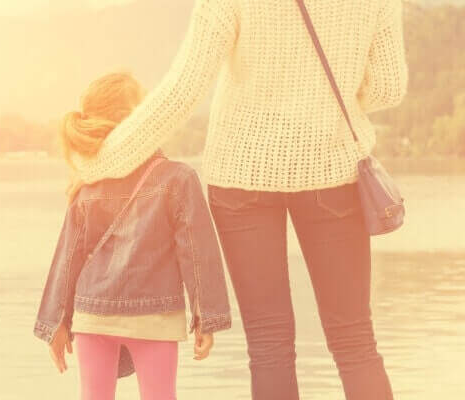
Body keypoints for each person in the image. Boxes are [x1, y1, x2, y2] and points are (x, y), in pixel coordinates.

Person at [69, 0, 408, 399]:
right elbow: (389, 86)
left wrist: (102, 160)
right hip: (332, 171)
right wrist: (322, 101)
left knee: (269, 345)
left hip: (243, 175)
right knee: (354, 341)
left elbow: (183, 89)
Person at [33, 72, 232, 400]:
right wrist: (206, 316)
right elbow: (197, 254)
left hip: (92, 316)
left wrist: (56, 322)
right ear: (142, 120)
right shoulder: (178, 179)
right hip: (154, 317)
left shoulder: (86, 184)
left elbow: (67, 258)